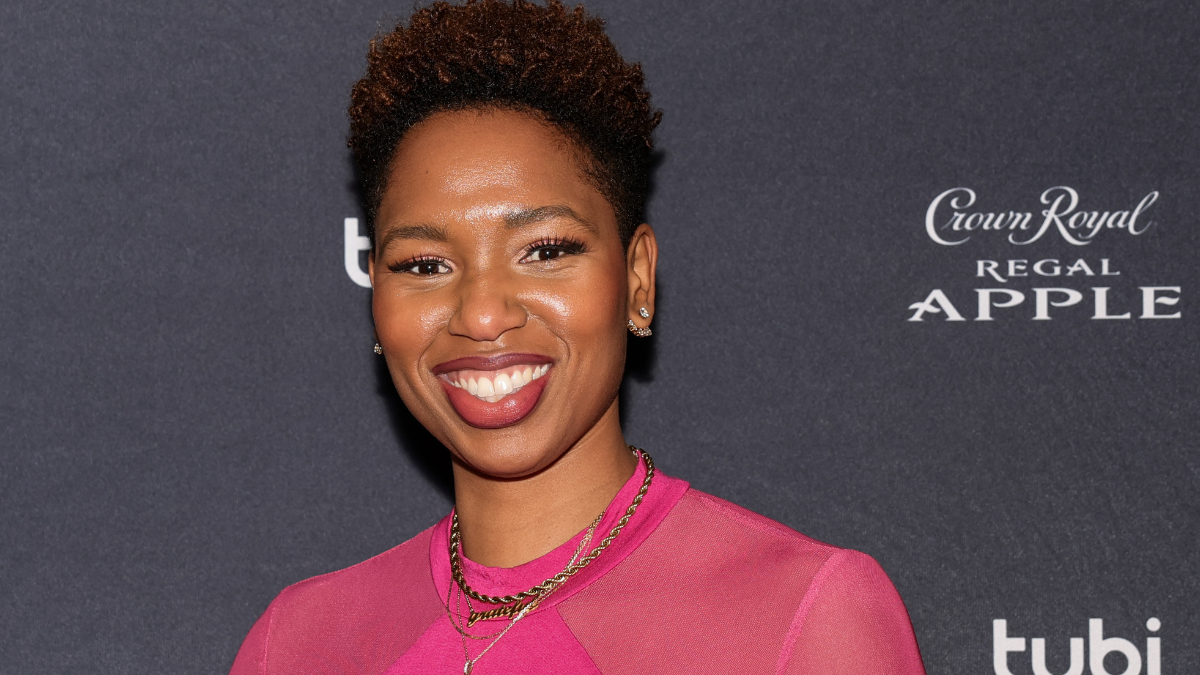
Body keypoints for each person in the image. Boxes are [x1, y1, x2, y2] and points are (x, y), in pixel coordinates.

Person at [230, 1, 927, 673]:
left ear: (637, 278)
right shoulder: (295, 644)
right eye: (424, 264)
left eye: (545, 250)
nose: (482, 314)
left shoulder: (804, 617)